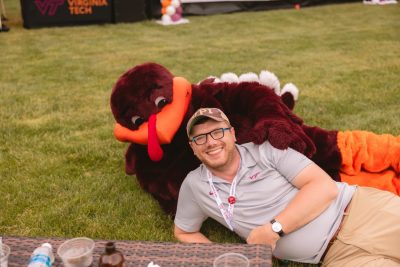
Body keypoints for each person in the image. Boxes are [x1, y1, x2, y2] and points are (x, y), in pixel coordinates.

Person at [174, 107, 400, 266]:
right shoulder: (195, 186)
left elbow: (324, 187)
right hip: (338, 256)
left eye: (217, 132)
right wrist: (224, 256)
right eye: (200, 138)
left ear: (232, 134)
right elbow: (184, 231)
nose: (211, 142)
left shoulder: (266, 151)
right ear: (192, 147)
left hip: (361, 212)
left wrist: (273, 230)